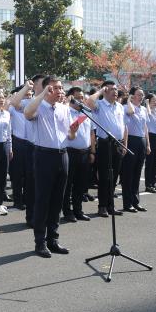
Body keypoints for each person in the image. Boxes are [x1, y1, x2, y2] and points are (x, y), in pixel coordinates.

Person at [24, 76, 77, 258]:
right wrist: (42, 94)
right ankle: (40, 242)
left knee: (57, 200)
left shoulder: (64, 108)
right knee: (43, 200)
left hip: (63, 155)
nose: (60, 90)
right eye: (55, 87)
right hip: (44, 156)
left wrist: (73, 132)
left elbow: (69, 136)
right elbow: (27, 113)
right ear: (47, 89)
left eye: (61, 87)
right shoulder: (38, 106)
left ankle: (53, 239)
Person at [86, 81, 128, 218]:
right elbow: (88, 102)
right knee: (104, 176)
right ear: (105, 91)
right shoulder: (100, 105)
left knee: (114, 176)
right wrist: (100, 91)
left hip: (118, 143)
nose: (115, 91)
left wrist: (124, 144)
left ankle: (111, 205)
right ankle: (102, 206)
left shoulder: (120, 106)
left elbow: (124, 127)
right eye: (111, 89)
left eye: (115, 89)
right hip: (105, 144)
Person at [11, 74, 46, 227]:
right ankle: (31, 216)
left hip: (50, 150)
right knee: (32, 184)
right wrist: (26, 88)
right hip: (33, 148)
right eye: (43, 84)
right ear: (36, 86)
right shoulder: (30, 102)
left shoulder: (53, 103)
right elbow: (14, 103)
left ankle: (44, 216)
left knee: (45, 186)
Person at [63, 87, 93, 222]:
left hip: (84, 152)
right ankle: (67, 211)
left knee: (80, 184)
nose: (81, 100)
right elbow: (68, 130)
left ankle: (78, 210)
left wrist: (92, 151)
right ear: (71, 98)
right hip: (70, 152)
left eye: (82, 98)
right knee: (68, 184)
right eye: (78, 98)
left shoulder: (86, 113)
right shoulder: (65, 112)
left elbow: (91, 133)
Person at [120, 87, 150, 213]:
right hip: (131, 140)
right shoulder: (126, 107)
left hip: (141, 141)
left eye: (142, 95)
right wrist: (129, 100)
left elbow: (145, 127)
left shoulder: (143, 109)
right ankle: (127, 203)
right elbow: (130, 113)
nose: (141, 97)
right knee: (128, 174)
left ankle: (135, 201)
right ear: (132, 96)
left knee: (137, 173)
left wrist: (148, 144)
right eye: (139, 94)